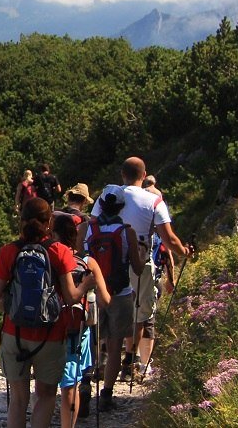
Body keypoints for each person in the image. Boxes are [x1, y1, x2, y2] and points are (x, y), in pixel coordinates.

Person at [90, 157, 192, 410]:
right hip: (139, 262)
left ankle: (97, 364)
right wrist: (184, 252)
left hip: (102, 265)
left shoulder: (107, 196)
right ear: (144, 174)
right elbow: (168, 239)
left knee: (100, 314)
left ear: (121, 173)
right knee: (139, 311)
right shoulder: (154, 200)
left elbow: (92, 226)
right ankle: (129, 359)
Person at [0, 198, 85, 428]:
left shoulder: (9, 251)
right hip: (50, 335)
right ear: (49, 221)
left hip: (15, 333)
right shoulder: (59, 251)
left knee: (18, 400)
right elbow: (71, 297)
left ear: (21, 221)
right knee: (46, 395)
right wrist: (87, 285)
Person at [85, 190, 145, 413]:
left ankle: (84, 384)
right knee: (114, 345)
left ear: (100, 204)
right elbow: (137, 269)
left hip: (92, 294)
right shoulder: (126, 232)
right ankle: (107, 395)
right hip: (120, 294)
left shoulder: (88, 228)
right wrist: (142, 252)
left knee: (89, 343)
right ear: (121, 207)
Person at [54, 212, 110, 428]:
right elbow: (105, 300)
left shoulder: (50, 257)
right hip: (76, 331)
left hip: (49, 330)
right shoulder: (88, 262)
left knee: (47, 386)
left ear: (55, 234)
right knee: (70, 386)